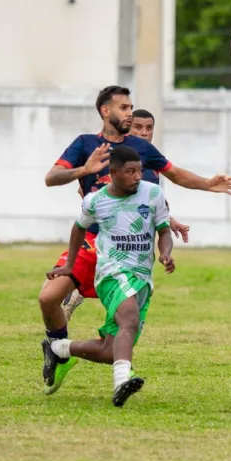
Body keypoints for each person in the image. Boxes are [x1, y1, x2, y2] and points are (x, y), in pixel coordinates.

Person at [39, 85, 231, 391]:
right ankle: (58, 350)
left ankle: (102, 363)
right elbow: (51, 178)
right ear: (105, 111)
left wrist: (206, 184)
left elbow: (171, 177)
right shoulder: (85, 144)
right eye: (124, 108)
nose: (130, 113)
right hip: (93, 241)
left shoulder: (139, 149)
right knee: (48, 297)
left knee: (120, 328)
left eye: (131, 107)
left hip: (127, 251)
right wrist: (85, 168)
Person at [43, 146, 175, 407]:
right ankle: (122, 381)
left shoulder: (153, 194)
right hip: (111, 272)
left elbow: (164, 230)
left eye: (140, 171)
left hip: (142, 277)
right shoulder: (95, 201)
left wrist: (165, 253)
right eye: (130, 172)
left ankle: (59, 349)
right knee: (129, 319)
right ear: (113, 173)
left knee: (109, 350)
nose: (138, 176)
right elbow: (78, 228)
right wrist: (69, 264)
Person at [61, 107, 189, 321]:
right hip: (103, 232)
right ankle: (73, 305)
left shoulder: (152, 161)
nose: (144, 133)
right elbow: (88, 190)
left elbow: (150, 201)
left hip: (136, 238)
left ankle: (107, 329)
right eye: (138, 127)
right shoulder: (114, 157)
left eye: (149, 128)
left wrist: (170, 220)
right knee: (113, 278)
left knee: (129, 284)